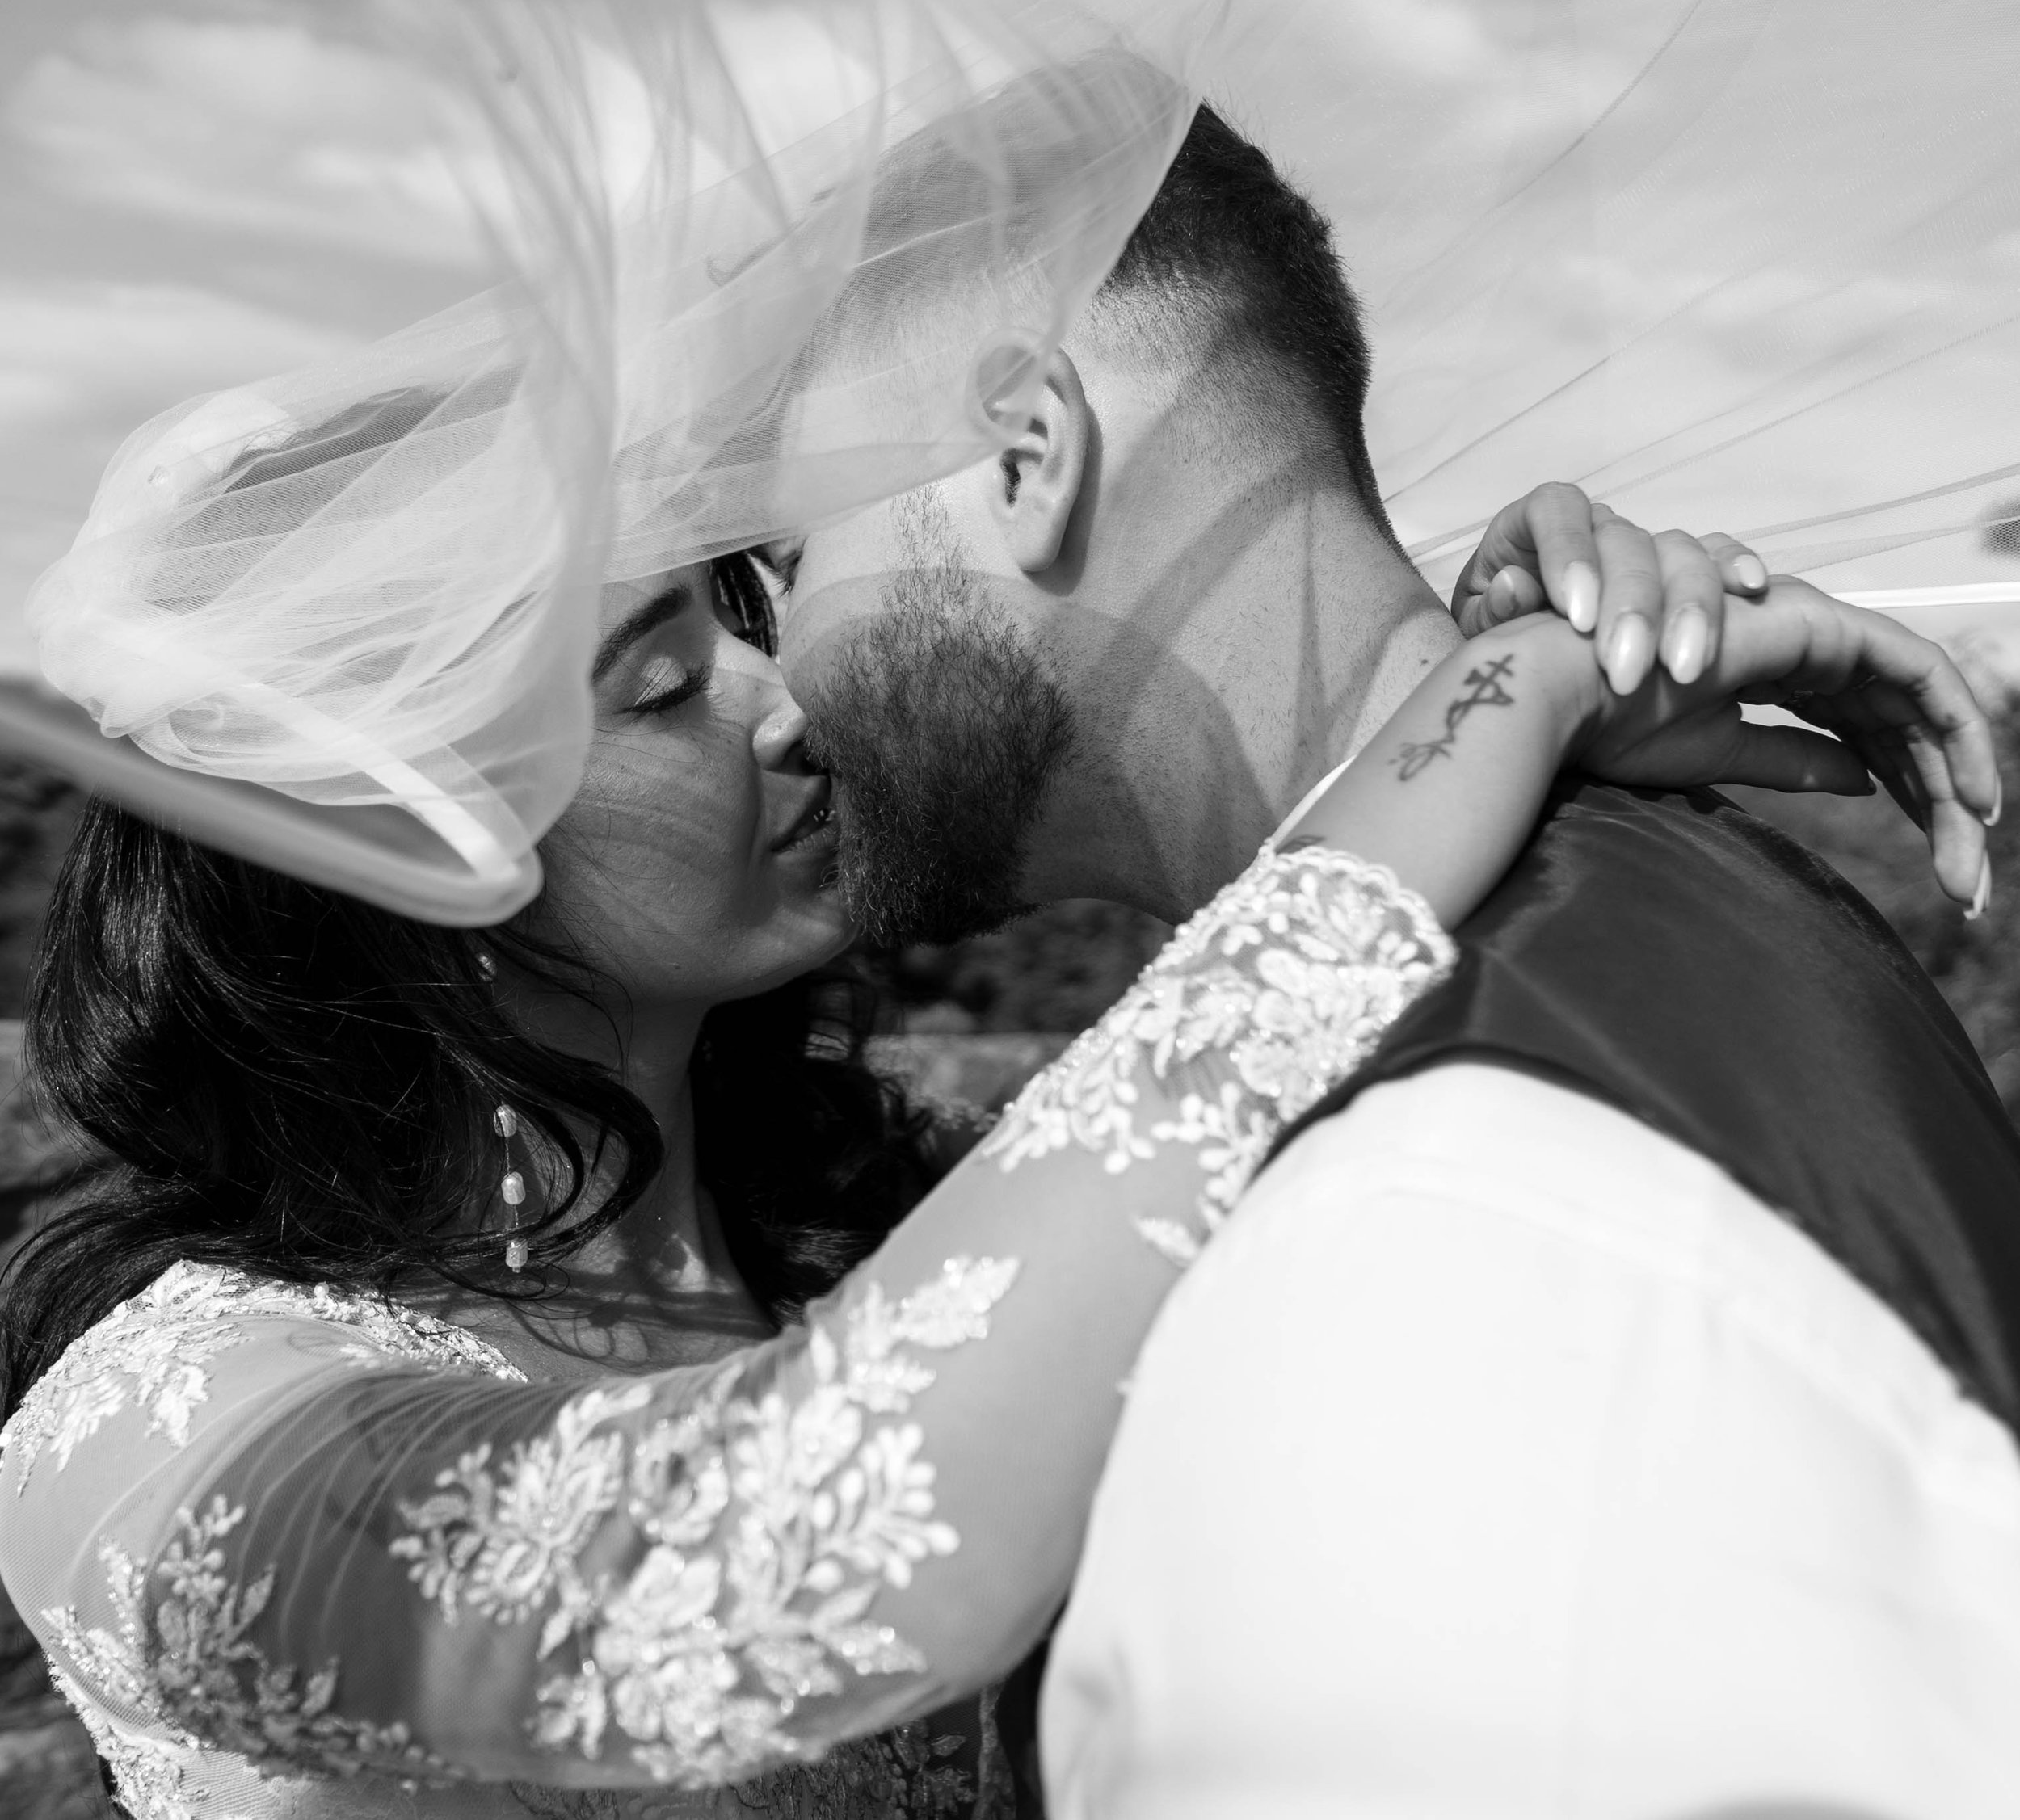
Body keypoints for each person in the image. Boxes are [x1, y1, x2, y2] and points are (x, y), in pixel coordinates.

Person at [0, 452, 1978, 1820]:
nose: (789, 707)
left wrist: (1460, 639)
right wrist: (1505, 688)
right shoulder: (155, 1419)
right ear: (393, 838)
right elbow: (789, 1546)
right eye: (663, 682)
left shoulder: (909, 1228)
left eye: (746, 617)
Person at [779, 103, 2020, 1818]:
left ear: (1021, 455)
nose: (772, 695)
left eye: (789, 560)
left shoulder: (1420, 1230)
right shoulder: (1642, 897)